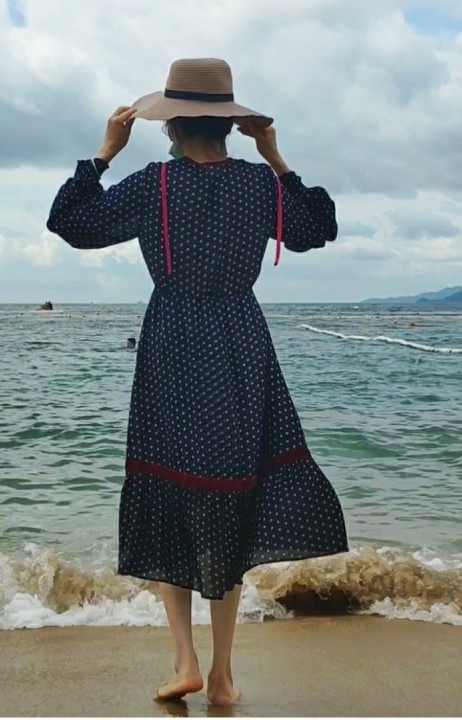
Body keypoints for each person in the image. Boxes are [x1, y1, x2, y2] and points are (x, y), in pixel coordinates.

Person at [46, 58, 348, 706]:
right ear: (232, 128)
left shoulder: (153, 184)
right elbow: (318, 227)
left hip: (171, 344)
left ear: (172, 127)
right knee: (229, 497)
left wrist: (103, 154)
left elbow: (70, 221)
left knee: (169, 492)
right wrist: (276, 158)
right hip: (239, 342)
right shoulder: (257, 185)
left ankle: (183, 659)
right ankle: (222, 675)